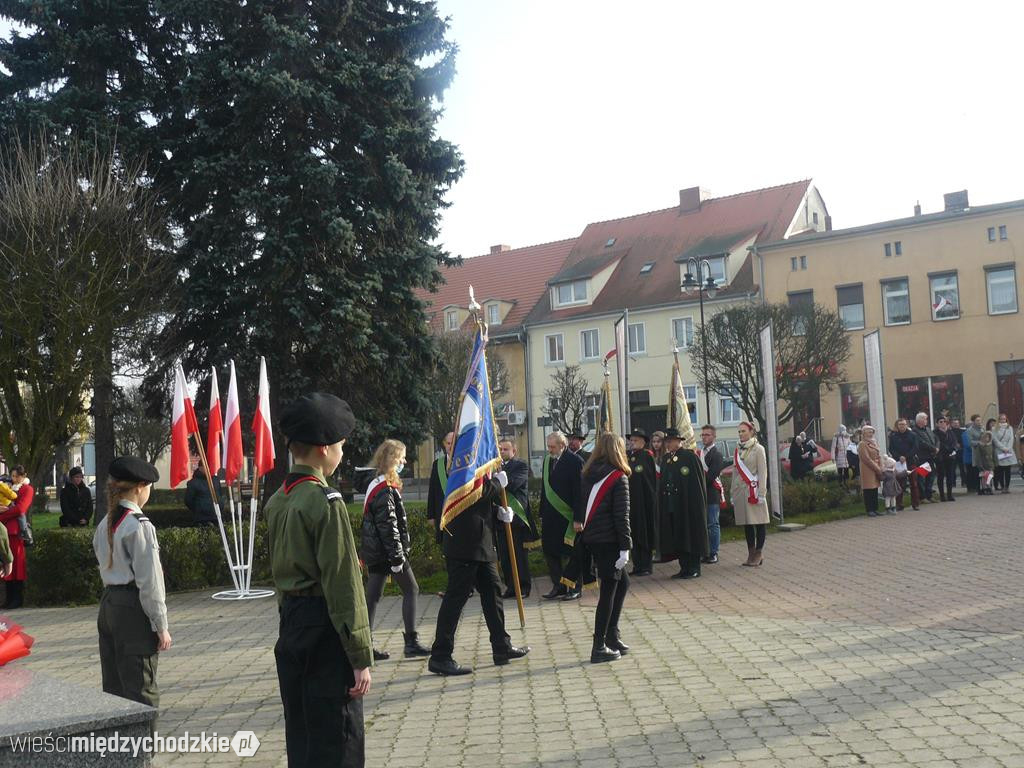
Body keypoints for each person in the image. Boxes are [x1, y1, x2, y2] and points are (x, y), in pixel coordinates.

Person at [264, 393, 371, 767]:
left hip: (292, 626)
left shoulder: (278, 500)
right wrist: (360, 656)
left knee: (303, 734)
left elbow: (280, 574)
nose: (342, 450)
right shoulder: (326, 502)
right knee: (338, 740)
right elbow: (343, 585)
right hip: (326, 630)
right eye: (341, 444)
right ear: (324, 449)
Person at [428, 466, 529, 676]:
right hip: (465, 542)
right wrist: (497, 484)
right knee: (455, 599)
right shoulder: (464, 462)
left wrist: (497, 512)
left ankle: (501, 647)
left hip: (480, 540)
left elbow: (475, 502)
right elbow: (469, 493)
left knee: (493, 592)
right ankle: (440, 656)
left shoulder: (473, 460)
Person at [93, 456, 170, 708]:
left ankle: (119, 745)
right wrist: (160, 624)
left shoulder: (105, 523)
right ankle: (142, 746)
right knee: (141, 690)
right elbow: (150, 582)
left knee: (115, 689)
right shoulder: (139, 526)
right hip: (131, 608)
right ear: (140, 487)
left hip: (108, 604)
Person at [360, 439, 431, 662]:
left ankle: (365, 646)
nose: (404, 461)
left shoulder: (377, 484)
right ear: (392, 459)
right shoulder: (385, 489)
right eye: (401, 457)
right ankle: (411, 642)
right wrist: (397, 558)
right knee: (411, 589)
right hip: (387, 553)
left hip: (376, 551)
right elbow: (389, 526)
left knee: (372, 598)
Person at [579, 433, 632, 664]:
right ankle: (599, 645)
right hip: (610, 540)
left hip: (593, 537)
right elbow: (621, 516)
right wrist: (625, 547)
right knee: (609, 591)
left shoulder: (588, 474)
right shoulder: (618, 477)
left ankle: (612, 635)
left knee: (623, 583)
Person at [656, 427, 707, 578]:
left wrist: (696, 504)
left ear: (679, 441)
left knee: (690, 534)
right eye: (667, 442)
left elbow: (697, 483)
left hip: (688, 504)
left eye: (670, 441)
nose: (668, 444)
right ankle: (684, 567)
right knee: (677, 535)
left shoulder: (690, 457)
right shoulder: (666, 459)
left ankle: (694, 567)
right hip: (672, 504)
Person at [539, 431, 582, 600]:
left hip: (568, 516)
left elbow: (579, 492)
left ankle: (574, 587)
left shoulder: (575, 461)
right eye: (548, 446)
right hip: (550, 516)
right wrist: (542, 511)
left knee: (572, 554)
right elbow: (545, 489)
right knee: (550, 551)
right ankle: (558, 585)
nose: (549, 450)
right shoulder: (547, 460)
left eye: (552, 447)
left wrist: (579, 517)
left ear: (562, 445)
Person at [496, 438, 538, 599]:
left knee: (519, 556)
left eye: (506, 449)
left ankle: (524, 586)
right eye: (500, 449)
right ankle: (511, 587)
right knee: (505, 556)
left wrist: (498, 477)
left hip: (516, 517)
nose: (502, 452)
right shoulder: (496, 467)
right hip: (500, 517)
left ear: (514, 451)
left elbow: (513, 484)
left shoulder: (520, 465)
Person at [732, 421, 769, 567]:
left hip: (754, 491)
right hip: (741, 492)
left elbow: (763, 471)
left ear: (751, 432)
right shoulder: (738, 450)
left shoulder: (758, 449)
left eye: (743, 431)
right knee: (747, 524)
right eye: (739, 432)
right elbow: (735, 473)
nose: (741, 434)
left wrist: (762, 493)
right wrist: (732, 493)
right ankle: (751, 553)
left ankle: (759, 553)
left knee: (759, 522)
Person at [0, 466, 34, 609]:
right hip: (5, 530)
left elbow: (20, 509)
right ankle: (8, 598)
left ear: (22, 476)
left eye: (16, 476)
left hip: (16, 532)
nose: (13, 479)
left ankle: (17, 598)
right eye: (12, 476)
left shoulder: (27, 489)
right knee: (7, 563)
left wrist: (3, 514)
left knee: (17, 565)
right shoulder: (9, 488)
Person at [625, 428, 656, 576]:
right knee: (634, 533)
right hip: (631, 502)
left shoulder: (647, 456)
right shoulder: (628, 456)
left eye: (635, 440)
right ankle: (637, 564)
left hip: (644, 502)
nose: (632, 443)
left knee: (644, 532)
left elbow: (650, 480)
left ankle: (646, 565)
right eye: (631, 440)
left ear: (643, 442)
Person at [697, 425, 725, 565]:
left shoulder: (717, 454)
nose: (704, 437)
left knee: (713, 524)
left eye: (707, 435)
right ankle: (705, 552)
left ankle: (714, 553)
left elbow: (712, 475)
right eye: (702, 435)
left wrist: (698, 484)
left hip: (711, 494)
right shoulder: (699, 453)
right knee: (704, 525)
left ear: (714, 437)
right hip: (701, 495)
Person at [425, 431, 454, 543]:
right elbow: (432, 490)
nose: (451, 446)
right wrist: (430, 515)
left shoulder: (466, 464)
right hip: (442, 515)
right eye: (448, 443)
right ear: (444, 444)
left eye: (454, 443)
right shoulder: (437, 464)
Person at [889, 418, 919, 510]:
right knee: (900, 484)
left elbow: (915, 448)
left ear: (907, 425)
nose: (902, 426)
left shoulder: (913, 435)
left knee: (913, 483)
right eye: (900, 424)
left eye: (903, 424)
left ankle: (915, 504)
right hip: (899, 463)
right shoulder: (893, 436)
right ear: (897, 426)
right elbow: (891, 449)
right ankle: (899, 504)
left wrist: (906, 456)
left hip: (910, 462)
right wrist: (899, 457)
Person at [183, 462, 225, 526]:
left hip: (217, 516)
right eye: (205, 466)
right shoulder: (193, 483)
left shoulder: (215, 480)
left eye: (208, 467)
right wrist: (199, 508)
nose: (207, 469)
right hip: (202, 519)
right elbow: (188, 500)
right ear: (200, 468)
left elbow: (220, 494)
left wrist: (221, 504)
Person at [911, 413, 938, 501]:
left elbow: (936, 438)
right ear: (919, 420)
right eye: (924, 419)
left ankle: (929, 495)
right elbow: (921, 443)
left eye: (926, 419)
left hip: (930, 457)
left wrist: (937, 447)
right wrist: (933, 448)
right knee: (922, 477)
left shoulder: (928, 429)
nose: (926, 420)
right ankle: (922, 497)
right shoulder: (915, 431)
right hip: (922, 457)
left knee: (931, 476)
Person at [858, 425, 883, 516]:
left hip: (876, 468)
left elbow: (878, 455)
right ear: (864, 433)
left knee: (874, 489)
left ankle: (875, 509)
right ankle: (869, 510)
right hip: (867, 469)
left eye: (872, 432)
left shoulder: (874, 443)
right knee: (868, 489)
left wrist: (881, 466)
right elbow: (866, 459)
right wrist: (877, 468)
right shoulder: (862, 444)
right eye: (869, 432)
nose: (871, 434)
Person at [933, 417, 959, 502]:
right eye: (941, 422)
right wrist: (947, 449)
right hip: (941, 457)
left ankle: (950, 494)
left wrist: (954, 449)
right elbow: (938, 443)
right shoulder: (935, 433)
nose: (943, 423)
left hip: (950, 457)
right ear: (937, 424)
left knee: (950, 476)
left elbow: (955, 442)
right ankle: (942, 495)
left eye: (945, 421)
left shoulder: (950, 432)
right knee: (941, 476)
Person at [992, 413, 1018, 494]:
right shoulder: (994, 428)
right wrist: (1003, 448)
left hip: (1008, 451)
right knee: (1000, 470)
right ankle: (1002, 486)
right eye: (1001, 419)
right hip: (1000, 451)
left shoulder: (1009, 428)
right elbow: (995, 440)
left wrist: (1008, 448)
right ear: (998, 420)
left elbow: (1011, 439)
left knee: (1007, 470)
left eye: (1004, 419)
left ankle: (1007, 487)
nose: (1003, 420)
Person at [962, 415, 979, 492]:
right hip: (969, 457)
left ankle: (975, 486)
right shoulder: (965, 434)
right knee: (970, 473)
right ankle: (970, 487)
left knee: (975, 472)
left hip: (975, 456)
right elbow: (968, 445)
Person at [950, 418, 965, 489]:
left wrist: (960, 445)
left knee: (962, 468)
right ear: (952, 424)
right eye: (954, 423)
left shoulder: (963, 431)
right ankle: (953, 483)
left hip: (961, 451)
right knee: (952, 468)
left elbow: (965, 440)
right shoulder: (949, 432)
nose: (956, 424)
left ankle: (964, 482)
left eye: (957, 423)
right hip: (953, 452)